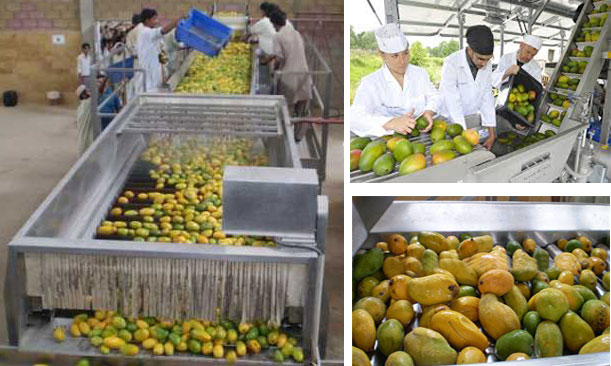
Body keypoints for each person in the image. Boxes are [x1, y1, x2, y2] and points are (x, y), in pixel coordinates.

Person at [350, 24, 439, 137]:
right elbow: (354, 117)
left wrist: (429, 111)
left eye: (405, 53)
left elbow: (434, 96)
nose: (402, 61)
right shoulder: (371, 82)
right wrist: (390, 122)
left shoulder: (420, 73)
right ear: (382, 55)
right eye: (395, 56)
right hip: (389, 139)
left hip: (421, 133)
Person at [439, 25, 496, 150]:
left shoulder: (486, 64)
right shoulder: (452, 63)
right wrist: (465, 135)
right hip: (451, 121)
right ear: (470, 49)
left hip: (470, 117)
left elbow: (487, 97)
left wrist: (492, 134)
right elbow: (452, 102)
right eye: (481, 59)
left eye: (488, 59)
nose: (484, 64)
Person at [265, 10, 312, 138]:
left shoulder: (278, 36)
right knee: (303, 110)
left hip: (289, 77)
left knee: (287, 110)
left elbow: (279, 57)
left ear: (273, 23)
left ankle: (286, 140)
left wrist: (273, 70)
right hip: (304, 75)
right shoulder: (296, 33)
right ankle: (298, 137)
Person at [136, 8, 182, 91]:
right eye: (154, 19)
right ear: (147, 20)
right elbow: (163, 30)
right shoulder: (145, 32)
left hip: (155, 78)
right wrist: (176, 22)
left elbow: (160, 53)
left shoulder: (151, 34)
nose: (157, 21)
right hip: (149, 82)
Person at [75, 85, 93, 155]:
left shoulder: (81, 106)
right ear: (84, 95)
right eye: (87, 91)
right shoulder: (87, 104)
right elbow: (98, 93)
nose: (89, 92)